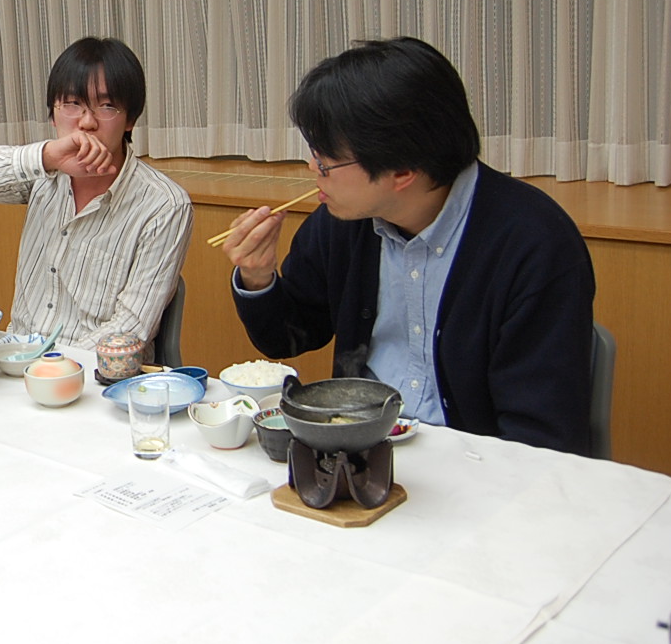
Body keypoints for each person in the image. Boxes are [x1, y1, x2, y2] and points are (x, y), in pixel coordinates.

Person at [221, 37, 595, 455]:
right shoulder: (345, 221)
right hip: (360, 449)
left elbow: (541, 438)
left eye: (326, 160)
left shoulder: (533, 244)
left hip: (477, 466)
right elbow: (289, 338)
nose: (313, 167)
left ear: (403, 170)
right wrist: (258, 278)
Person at [0, 37, 192, 352]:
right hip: (19, 357)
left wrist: (51, 364)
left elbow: (131, 327)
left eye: (107, 106)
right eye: (72, 103)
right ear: (52, 114)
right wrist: (47, 157)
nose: (86, 122)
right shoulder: (43, 175)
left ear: (131, 119)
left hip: (97, 371)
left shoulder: (164, 205)